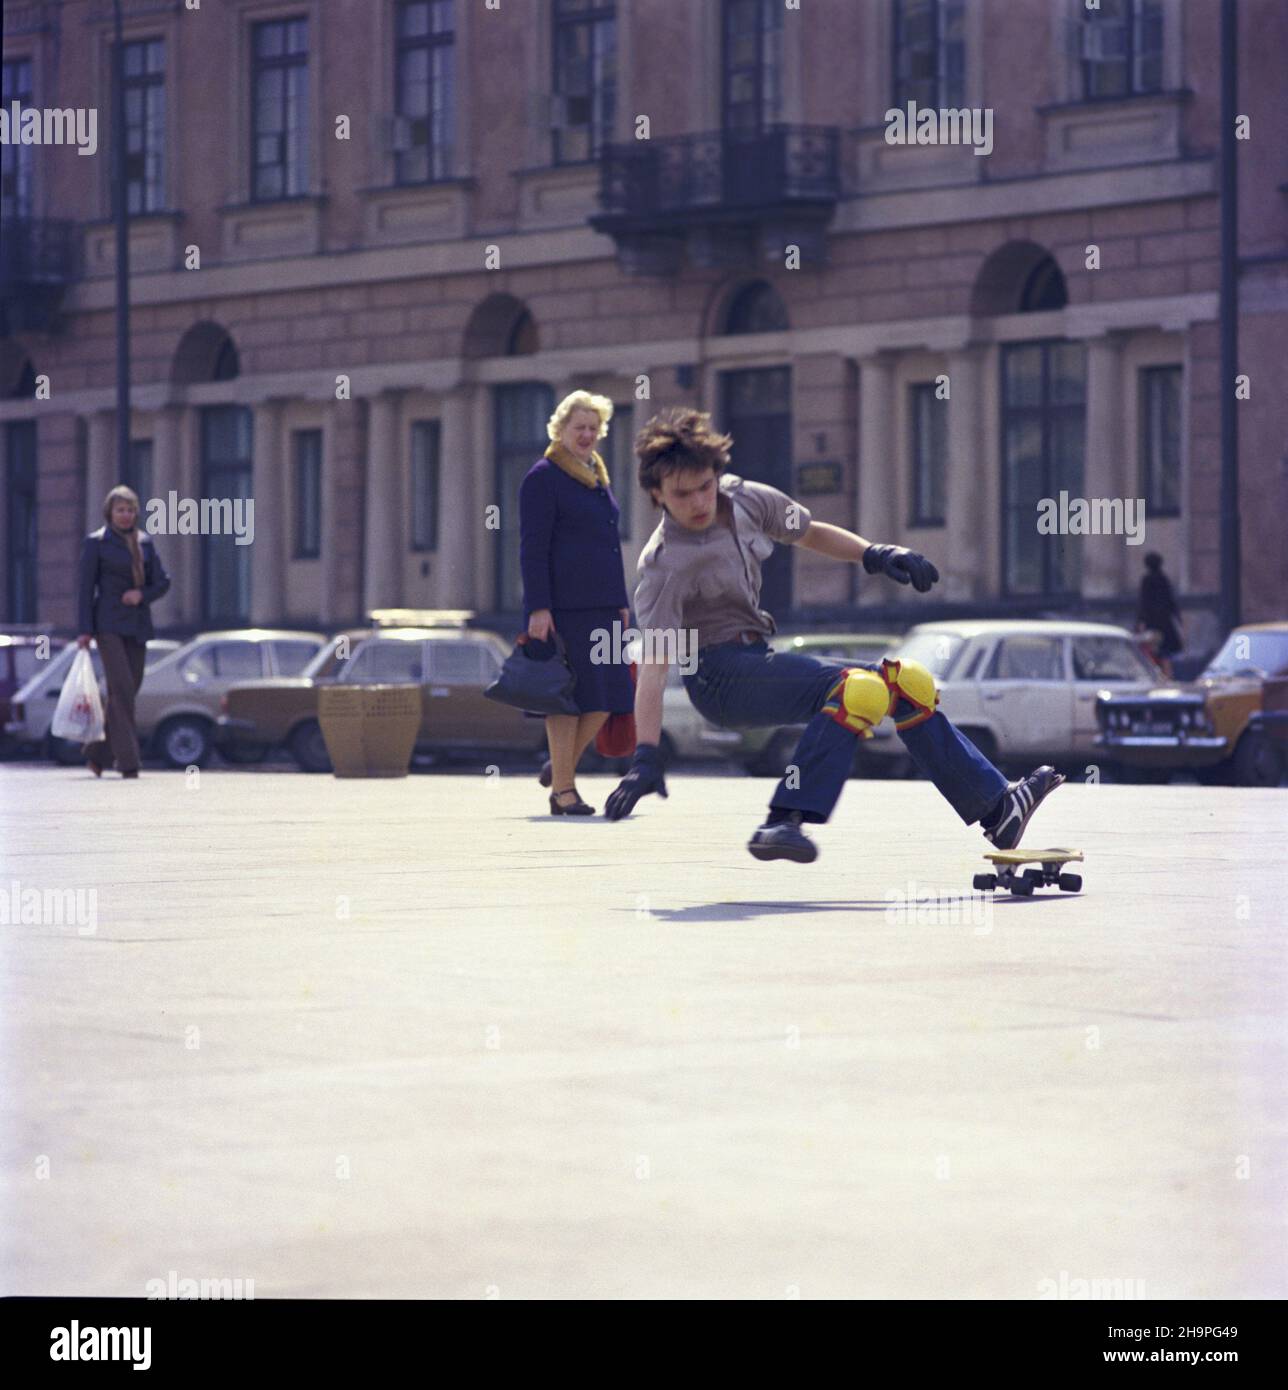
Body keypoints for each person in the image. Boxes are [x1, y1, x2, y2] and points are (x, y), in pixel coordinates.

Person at [603, 408, 1064, 858]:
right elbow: (655, 663)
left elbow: (810, 533)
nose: (700, 502)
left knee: (907, 684)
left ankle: (996, 807)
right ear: (656, 494)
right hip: (717, 679)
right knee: (855, 690)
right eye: (682, 495)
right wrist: (645, 755)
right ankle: (783, 820)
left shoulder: (744, 499)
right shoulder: (664, 563)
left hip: (756, 656)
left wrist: (877, 554)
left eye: (705, 487)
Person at [519, 390, 634, 815]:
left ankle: (560, 764)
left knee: (608, 698)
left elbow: (610, 546)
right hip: (563, 608)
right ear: (560, 429)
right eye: (579, 427)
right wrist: (538, 608)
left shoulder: (597, 476)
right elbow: (532, 548)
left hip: (603, 605)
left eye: (593, 428)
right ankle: (564, 791)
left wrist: (621, 601)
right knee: (567, 698)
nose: (587, 435)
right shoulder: (543, 477)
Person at [76, 485, 170, 778]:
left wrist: (142, 595)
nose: (126, 515)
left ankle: (96, 752)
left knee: (128, 690)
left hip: (138, 624)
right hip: (107, 624)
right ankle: (129, 762)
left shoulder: (145, 542)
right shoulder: (96, 542)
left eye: (130, 510)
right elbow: (85, 588)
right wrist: (84, 630)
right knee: (123, 689)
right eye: (120, 510)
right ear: (110, 513)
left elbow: (163, 581)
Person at [1136, 551, 1183, 679]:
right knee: (1165, 655)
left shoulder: (1147, 580)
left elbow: (1144, 603)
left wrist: (1140, 622)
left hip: (1153, 623)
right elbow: (1171, 602)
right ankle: (1167, 677)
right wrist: (1178, 621)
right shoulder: (1164, 579)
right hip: (1165, 624)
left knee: (1153, 653)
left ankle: (1160, 677)